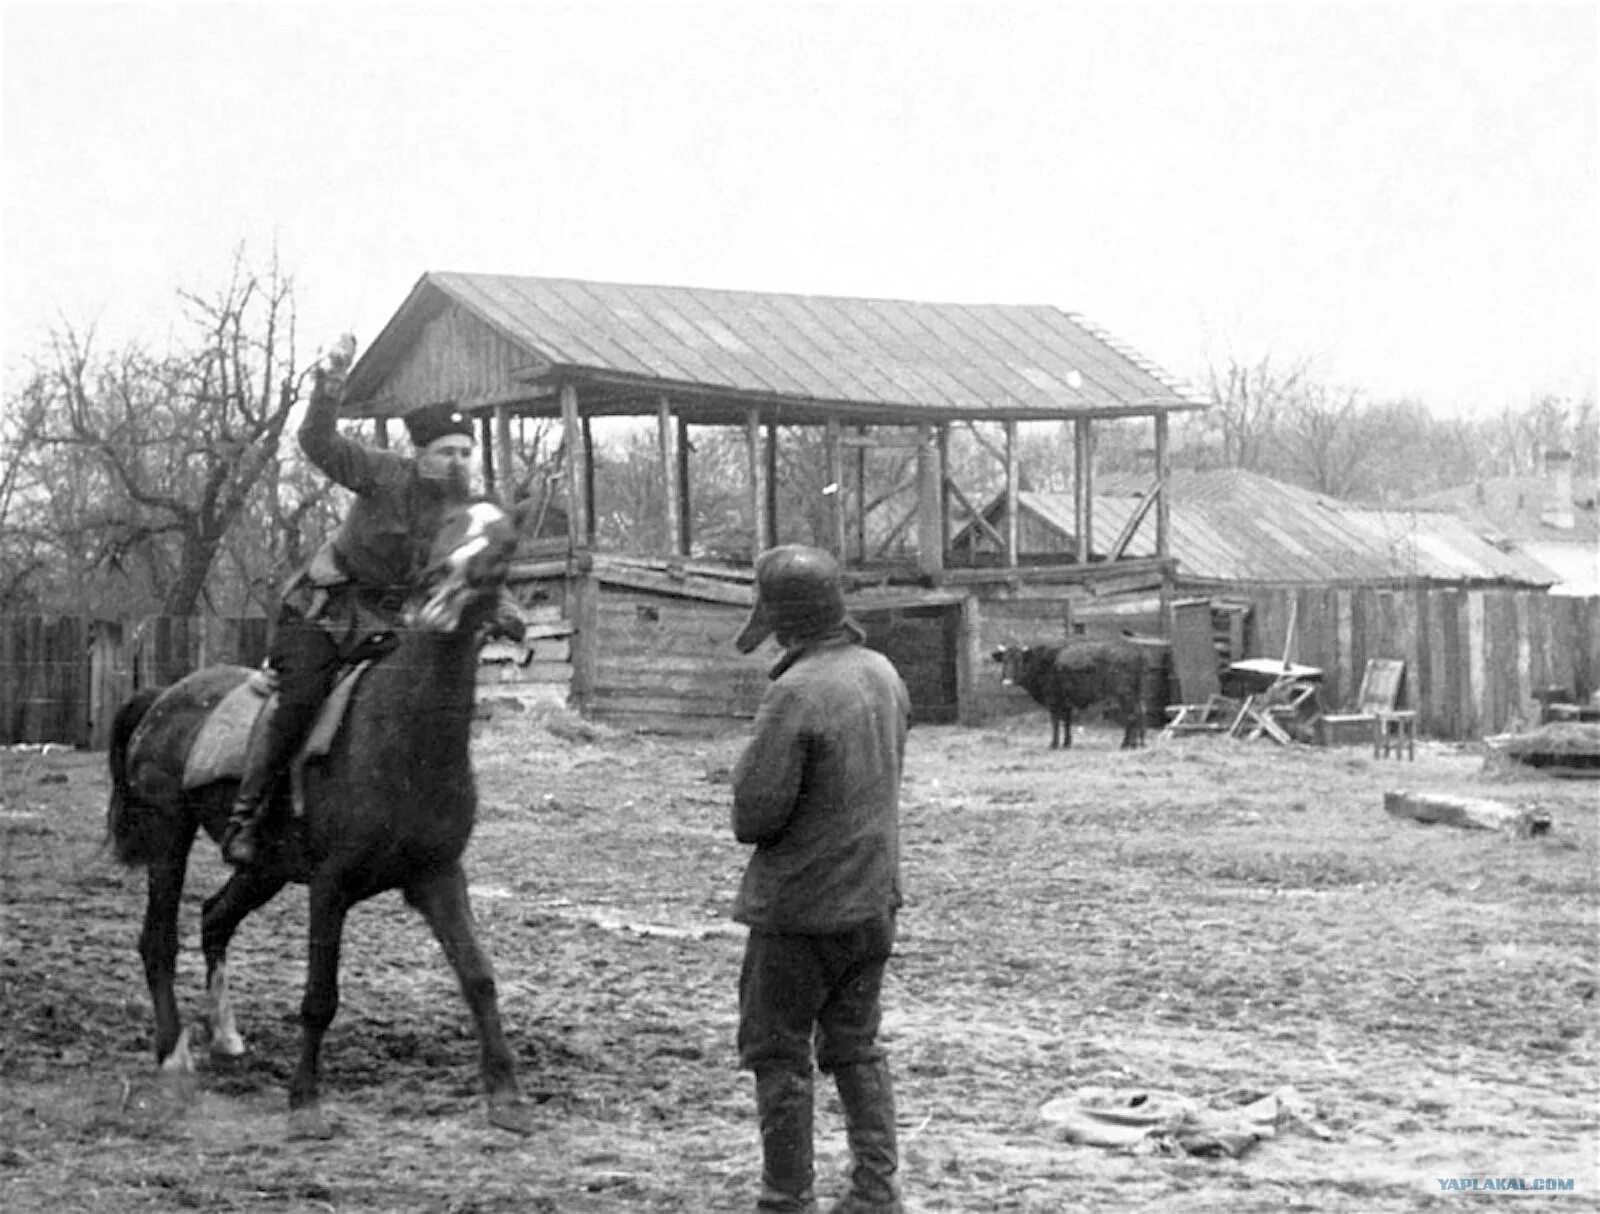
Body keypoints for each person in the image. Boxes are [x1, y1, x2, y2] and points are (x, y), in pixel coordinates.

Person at [220, 340, 525, 867]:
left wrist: (505, 608)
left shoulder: (467, 510)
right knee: (301, 699)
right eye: (445, 452)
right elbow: (317, 442)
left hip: (393, 625)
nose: (456, 462)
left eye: (464, 453)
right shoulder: (379, 472)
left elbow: (478, 566)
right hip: (325, 613)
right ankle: (247, 816)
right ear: (420, 453)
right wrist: (330, 387)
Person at [729, 544, 911, 1214]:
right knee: (856, 1046)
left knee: (778, 1054)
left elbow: (754, 816)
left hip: (802, 910)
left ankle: (786, 1198)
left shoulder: (795, 691)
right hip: (873, 899)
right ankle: (875, 1188)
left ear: (781, 620)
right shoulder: (882, 671)